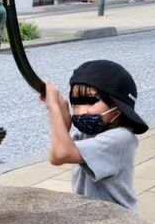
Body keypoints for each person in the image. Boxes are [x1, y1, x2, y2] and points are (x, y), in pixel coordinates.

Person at [41, 59, 148, 212]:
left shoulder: (121, 138)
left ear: (116, 107)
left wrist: (54, 109)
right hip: (94, 216)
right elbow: (56, 157)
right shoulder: (87, 133)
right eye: (76, 103)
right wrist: (63, 122)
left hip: (118, 221)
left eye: (90, 102)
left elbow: (64, 152)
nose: (81, 111)